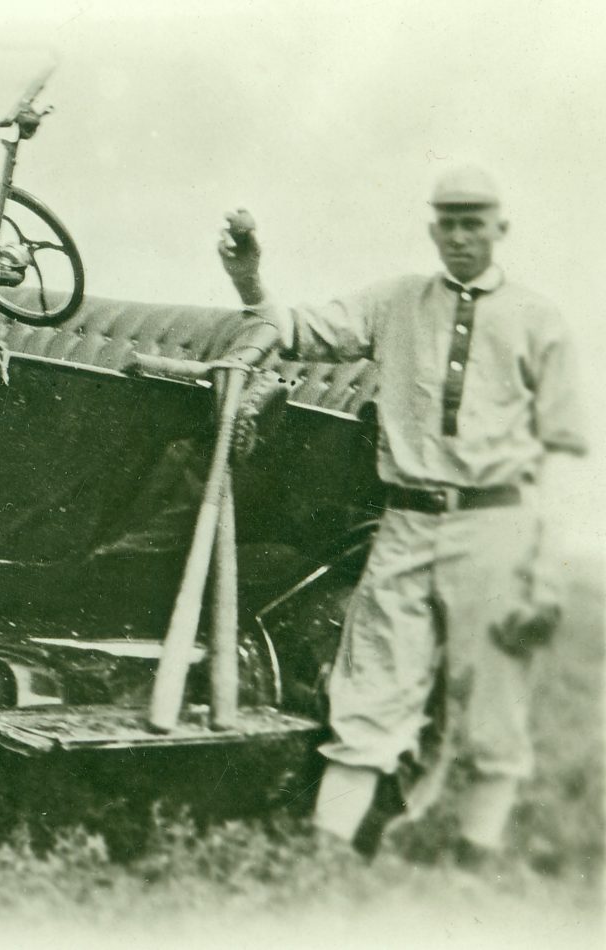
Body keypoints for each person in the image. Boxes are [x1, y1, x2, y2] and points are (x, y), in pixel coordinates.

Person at [217, 165, 588, 865]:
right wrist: (250, 280)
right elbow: (292, 329)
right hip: (408, 523)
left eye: (473, 223)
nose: (460, 237)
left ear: (499, 229)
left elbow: (564, 452)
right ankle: (326, 865)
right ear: (432, 230)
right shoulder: (395, 302)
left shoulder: (539, 321)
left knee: (494, 704)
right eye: (447, 223)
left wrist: (545, 568)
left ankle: (476, 869)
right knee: (370, 693)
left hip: (496, 528)